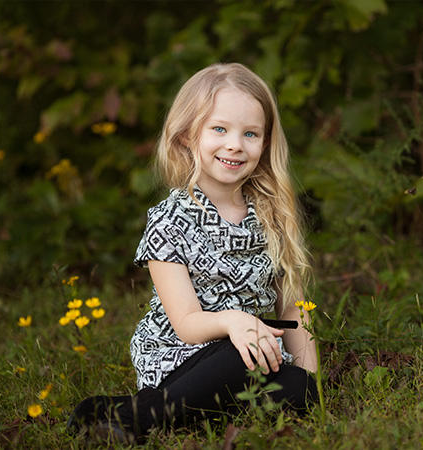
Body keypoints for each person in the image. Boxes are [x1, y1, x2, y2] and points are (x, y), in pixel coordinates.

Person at [67, 63, 318, 443]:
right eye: (219, 129)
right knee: (237, 356)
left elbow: (292, 308)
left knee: (299, 390)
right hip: (183, 358)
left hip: (252, 351)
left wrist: (310, 380)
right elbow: (185, 322)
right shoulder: (170, 221)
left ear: (265, 143)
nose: (235, 144)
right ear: (186, 136)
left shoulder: (272, 213)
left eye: (250, 133)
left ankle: (140, 409)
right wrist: (235, 321)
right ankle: (135, 419)